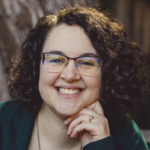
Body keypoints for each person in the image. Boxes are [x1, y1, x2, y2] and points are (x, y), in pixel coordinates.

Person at [0, 6, 149, 150]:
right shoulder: (3, 119)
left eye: (86, 62)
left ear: (108, 73)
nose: (70, 75)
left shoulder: (126, 134)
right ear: (36, 67)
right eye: (56, 60)